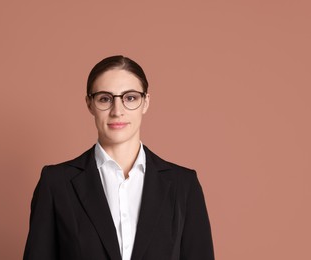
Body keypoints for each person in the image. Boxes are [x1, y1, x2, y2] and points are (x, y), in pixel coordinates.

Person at [23, 55, 215, 260]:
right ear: (89, 104)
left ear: (146, 102)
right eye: (105, 99)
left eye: (130, 98)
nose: (117, 111)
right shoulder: (56, 183)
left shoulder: (183, 185)